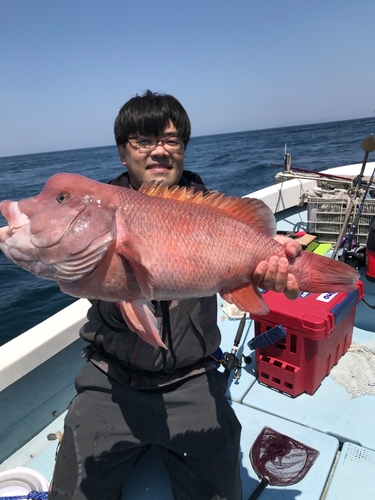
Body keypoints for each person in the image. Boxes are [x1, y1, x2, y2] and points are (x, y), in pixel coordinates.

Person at [49, 90, 301, 500]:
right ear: (121, 152)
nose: (159, 151)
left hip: (193, 379)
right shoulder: (92, 214)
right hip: (110, 380)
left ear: (183, 148)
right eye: (143, 141)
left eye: (171, 140)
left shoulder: (211, 212)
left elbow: (251, 250)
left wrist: (272, 268)